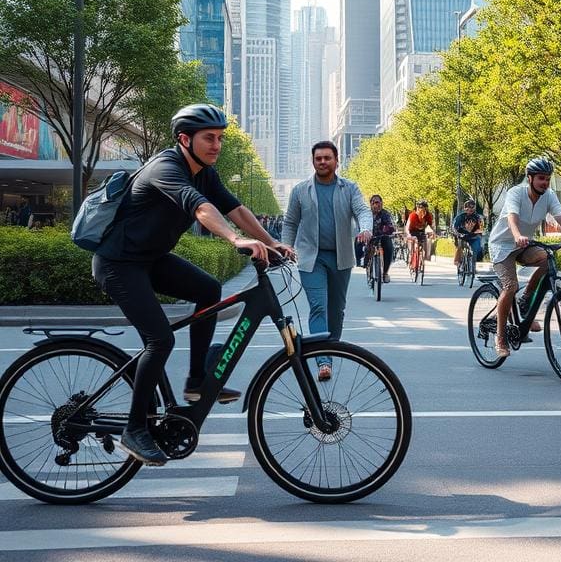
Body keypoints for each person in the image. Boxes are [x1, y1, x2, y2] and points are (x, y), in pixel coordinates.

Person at [92, 104, 294, 467]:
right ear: (185, 139)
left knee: (208, 290)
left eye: (219, 138)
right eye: (209, 138)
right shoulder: (166, 168)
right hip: (119, 265)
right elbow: (201, 209)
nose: (216, 145)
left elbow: (236, 209)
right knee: (160, 339)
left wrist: (272, 241)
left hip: (150, 260)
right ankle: (135, 428)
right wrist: (236, 241)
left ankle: (198, 379)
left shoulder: (205, 172)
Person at [283, 140, 371, 382]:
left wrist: (366, 229)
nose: (322, 162)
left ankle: (330, 348)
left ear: (336, 161)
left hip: (341, 257)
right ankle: (324, 361)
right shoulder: (301, 190)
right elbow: (291, 222)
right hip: (312, 259)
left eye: (327, 158)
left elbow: (363, 210)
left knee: (337, 309)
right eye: (318, 158)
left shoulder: (350, 188)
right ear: (313, 161)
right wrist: (286, 246)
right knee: (318, 306)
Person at [487, 157, 561, 358]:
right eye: (541, 178)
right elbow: (512, 216)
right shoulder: (515, 193)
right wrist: (517, 235)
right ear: (530, 178)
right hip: (503, 245)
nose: (545, 182)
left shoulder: (549, 196)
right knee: (510, 287)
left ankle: (526, 300)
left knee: (548, 259)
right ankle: (500, 337)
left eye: (548, 179)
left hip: (525, 244)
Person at [368, 194, 396, 282]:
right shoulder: (366, 214)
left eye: (377, 202)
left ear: (381, 203)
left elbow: (390, 225)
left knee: (389, 247)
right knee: (360, 244)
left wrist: (388, 229)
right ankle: (365, 264)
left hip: (382, 236)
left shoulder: (385, 214)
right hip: (370, 236)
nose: (375, 205)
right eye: (373, 202)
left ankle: (385, 273)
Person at [452, 198, 484, 267]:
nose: (470, 210)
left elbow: (480, 228)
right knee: (460, 245)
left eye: (472, 208)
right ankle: (458, 262)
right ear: (465, 208)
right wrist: (457, 234)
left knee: (477, 248)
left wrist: (479, 234)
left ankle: (473, 263)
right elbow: (454, 227)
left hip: (473, 236)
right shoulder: (460, 217)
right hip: (462, 235)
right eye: (468, 208)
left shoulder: (477, 217)